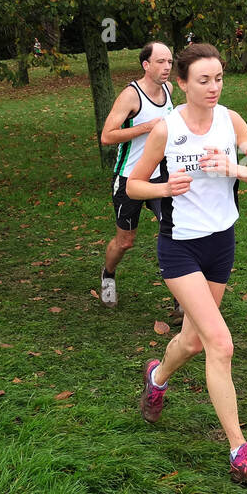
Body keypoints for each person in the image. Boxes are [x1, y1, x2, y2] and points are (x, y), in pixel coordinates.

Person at [126, 42, 247, 486]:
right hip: (180, 248)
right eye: (203, 80)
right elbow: (133, 185)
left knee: (193, 342)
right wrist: (163, 190)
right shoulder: (166, 130)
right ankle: (240, 452)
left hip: (221, 244)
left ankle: (156, 378)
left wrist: (233, 168)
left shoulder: (231, 122)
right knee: (220, 343)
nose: (213, 88)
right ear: (182, 82)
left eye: (218, 79)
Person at [98, 42, 178, 314]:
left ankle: (182, 295)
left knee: (174, 230)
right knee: (125, 241)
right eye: (160, 61)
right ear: (146, 65)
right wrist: (146, 127)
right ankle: (108, 274)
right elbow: (107, 136)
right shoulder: (131, 96)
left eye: (170, 61)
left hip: (160, 176)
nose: (167, 67)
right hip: (129, 178)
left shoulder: (168, 90)